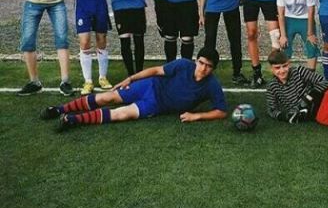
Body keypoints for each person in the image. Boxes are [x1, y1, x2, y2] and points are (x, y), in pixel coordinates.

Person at [40, 47, 227, 130]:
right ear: (196, 61)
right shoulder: (184, 64)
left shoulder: (212, 85)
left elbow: (221, 111)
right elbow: (156, 70)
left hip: (156, 105)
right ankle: (59, 109)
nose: (203, 68)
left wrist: (197, 116)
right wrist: (130, 78)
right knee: (107, 97)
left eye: (209, 66)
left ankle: (73, 120)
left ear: (213, 69)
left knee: (122, 114)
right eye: (201, 63)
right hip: (149, 86)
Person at [277, 0, 319, 69]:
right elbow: (280, 14)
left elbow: (311, 11)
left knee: (312, 45)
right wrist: (283, 35)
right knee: (284, 46)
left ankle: (310, 76)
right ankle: (286, 75)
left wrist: (310, 34)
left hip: (305, 19)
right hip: (288, 19)